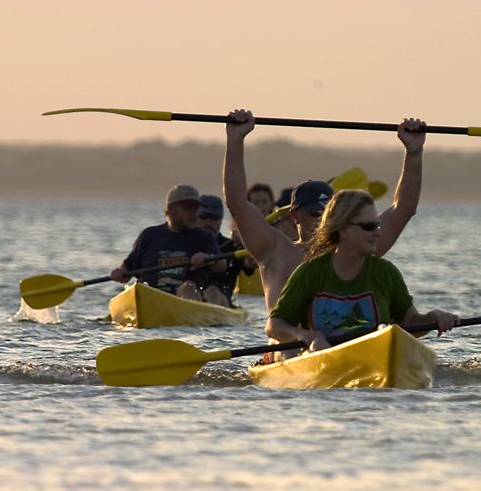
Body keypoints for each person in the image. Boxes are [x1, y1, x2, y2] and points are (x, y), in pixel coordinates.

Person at [222, 108, 427, 315]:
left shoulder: (354, 246)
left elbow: (404, 209)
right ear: (295, 216)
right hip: (288, 344)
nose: (323, 222)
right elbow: (237, 204)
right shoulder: (273, 249)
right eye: (315, 214)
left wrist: (414, 151)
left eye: (328, 213)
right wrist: (235, 139)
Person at [266, 190, 459, 355]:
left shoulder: (385, 272)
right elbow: (274, 326)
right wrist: (303, 335)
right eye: (369, 226)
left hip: (374, 355)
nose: (378, 233)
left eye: (378, 225)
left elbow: (410, 323)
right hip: (323, 359)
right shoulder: (309, 273)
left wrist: (434, 317)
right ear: (343, 230)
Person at [109, 184, 227, 300]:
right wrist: (120, 272)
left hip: (186, 297)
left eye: (196, 209)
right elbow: (127, 267)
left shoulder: (203, 237)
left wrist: (209, 259)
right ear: (170, 209)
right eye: (188, 209)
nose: (194, 214)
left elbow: (222, 265)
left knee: (189, 286)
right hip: (150, 296)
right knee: (137, 287)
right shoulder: (149, 235)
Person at [196, 194, 254, 307]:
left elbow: (253, 263)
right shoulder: (184, 244)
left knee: (212, 291)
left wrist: (245, 242)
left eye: (214, 218)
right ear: (195, 217)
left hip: (221, 303)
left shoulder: (231, 247)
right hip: (189, 297)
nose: (208, 222)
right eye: (203, 216)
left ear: (221, 219)